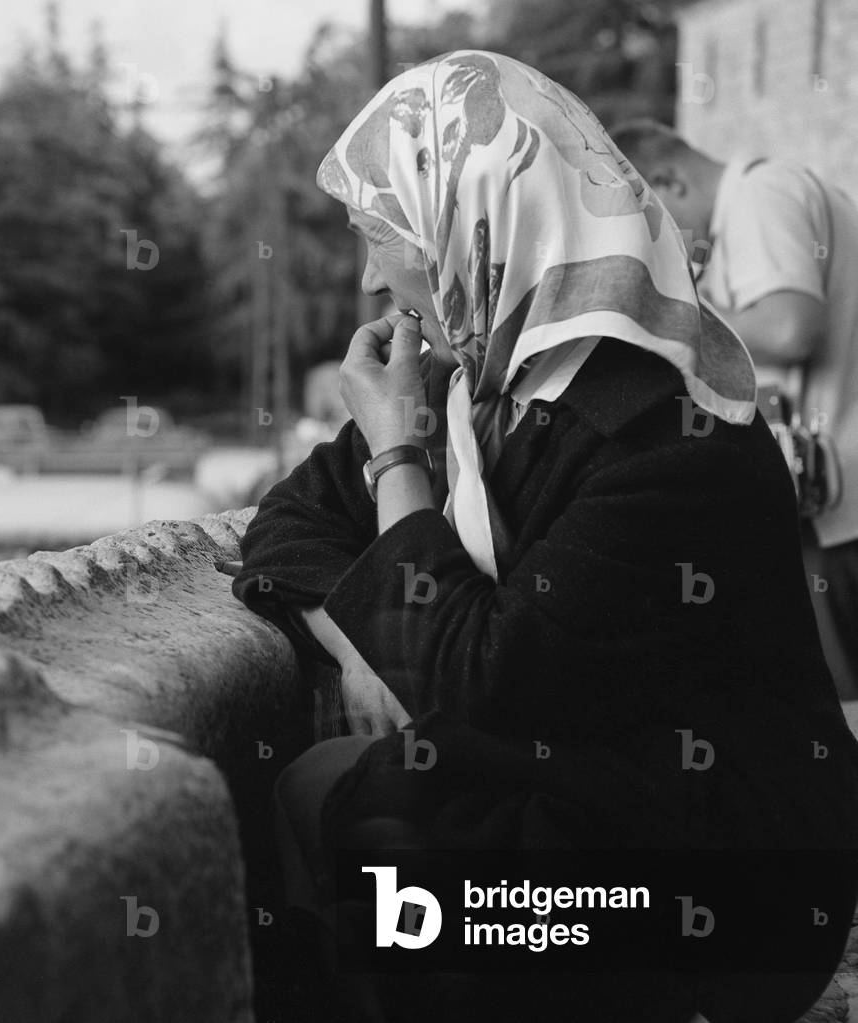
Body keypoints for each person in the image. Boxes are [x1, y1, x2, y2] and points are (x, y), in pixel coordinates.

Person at [232, 52, 858, 1023]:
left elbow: (478, 682)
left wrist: (396, 455)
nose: (367, 277)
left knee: (395, 847)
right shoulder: (483, 392)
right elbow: (293, 521)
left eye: (382, 235)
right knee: (331, 790)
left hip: (732, 888)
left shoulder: (659, 432)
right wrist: (368, 646)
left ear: (473, 225)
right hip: (599, 811)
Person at [609, 119, 858, 700]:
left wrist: (661, 324)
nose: (654, 249)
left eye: (649, 225)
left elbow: (789, 326)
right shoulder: (772, 195)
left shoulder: (758, 196)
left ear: (669, 181)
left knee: (838, 716)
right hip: (833, 506)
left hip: (839, 510)